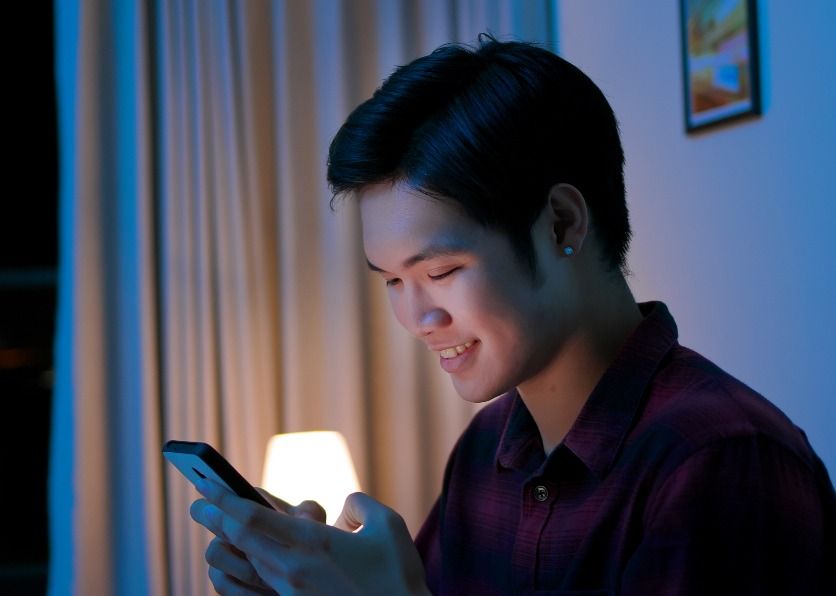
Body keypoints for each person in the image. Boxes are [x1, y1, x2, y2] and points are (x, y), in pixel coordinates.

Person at [187, 35, 836, 595]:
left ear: (562, 224)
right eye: (392, 280)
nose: (416, 317)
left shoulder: (720, 462)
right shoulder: (485, 452)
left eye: (440, 273)